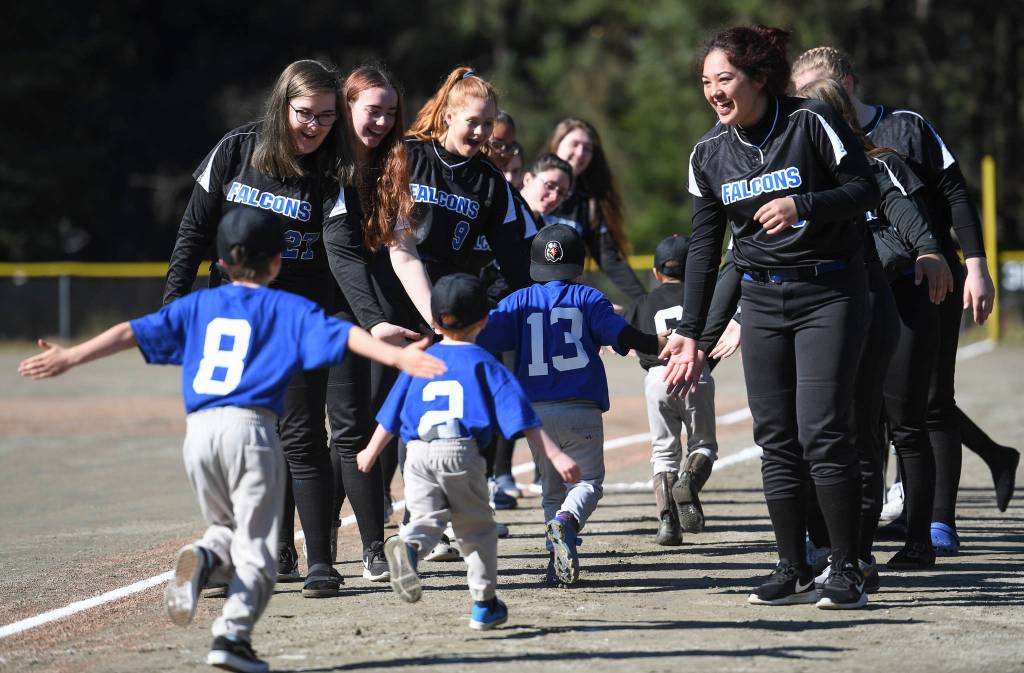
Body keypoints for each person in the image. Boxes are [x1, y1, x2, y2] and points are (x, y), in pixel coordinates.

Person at [19, 209, 446, 673]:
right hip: (251, 432)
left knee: (226, 527)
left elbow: (130, 332)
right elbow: (344, 334)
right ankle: (232, 635)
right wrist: (394, 357)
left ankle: (206, 556)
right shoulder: (286, 306)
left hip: (199, 434)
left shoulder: (198, 306)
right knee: (259, 557)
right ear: (279, 262)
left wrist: (72, 356)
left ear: (220, 264)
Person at [662, 26, 880, 609]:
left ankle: (847, 566)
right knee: (776, 437)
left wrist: (801, 203)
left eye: (724, 78)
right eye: (706, 81)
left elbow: (864, 189)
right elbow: (706, 248)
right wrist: (690, 332)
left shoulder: (810, 122)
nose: (713, 91)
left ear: (759, 77)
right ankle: (793, 564)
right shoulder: (709, 152)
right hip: (761, 299)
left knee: (823, 431)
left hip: (830, 292)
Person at [791, 47, 1015, 553]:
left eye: (813, 90)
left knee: (930, 404)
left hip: (924, 280)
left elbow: (955, 193)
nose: (804, 100)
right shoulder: (812, 146)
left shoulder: (904, 130)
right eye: (798, 93)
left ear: (844, 84)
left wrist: (974, 263)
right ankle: (880, 520)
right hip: (860, 288)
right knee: (871, 410)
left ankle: (936, 523)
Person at [162, 60, 350, 598]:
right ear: (281, 106)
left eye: (327, 117)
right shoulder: (236, 150)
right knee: (238, 435)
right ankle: (243, 556)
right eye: (306, 114)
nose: (315, 127)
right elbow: (193, 232)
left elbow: (341, 252)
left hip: (294, 316)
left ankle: (320, 562)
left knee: (300, 435)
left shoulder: (335, 169)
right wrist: (173, 305)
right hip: (230, 315)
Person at [355, 273, 580, 630]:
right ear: (484, 320)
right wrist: (556, 455)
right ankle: (484, 604)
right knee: (475, 531)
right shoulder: (486, 363)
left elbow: (392, 414)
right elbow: (525, 420)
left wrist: (370, 451)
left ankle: (409, 548)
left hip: (416, 453)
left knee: (426, 518)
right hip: (460, 450)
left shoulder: (418, 359)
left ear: (435, 319)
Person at [476, 224, 666, 585]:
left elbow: (484, 334)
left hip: (537, 414)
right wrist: (656, 343)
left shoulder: (517, 300)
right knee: (588, 483)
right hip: (581, 407)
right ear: (579, 268)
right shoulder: (590, 297)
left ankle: (555, 561)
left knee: (551, 489)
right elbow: (621, 335)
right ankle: (567, 523)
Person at [398, 66, 535, 559]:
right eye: (473, 121)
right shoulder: (410, 155)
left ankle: (447, 520)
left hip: (458, 308)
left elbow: (517, 257)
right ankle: (415, 516)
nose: (481, 133)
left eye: (489, 124)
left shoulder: (489, 181)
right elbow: (394, 243)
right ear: (449, 115)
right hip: (406, 300)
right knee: (413, 411)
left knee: (460, 414)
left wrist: (538, 301)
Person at [322, 63, 429, 581]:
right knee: (299, 432)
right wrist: (372, 323)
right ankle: (292, 546)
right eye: (373, 110)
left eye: (391, 112)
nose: (384, 122)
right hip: (324, 306)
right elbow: (337, 250)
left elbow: (403, 252)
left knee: (353, 426)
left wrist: (438, 321)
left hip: (367, 310)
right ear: (347, 108)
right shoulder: (326, 164)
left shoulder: (392, 165)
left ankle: (365, 547)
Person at [623, 235, 718, 545]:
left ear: (655, 272)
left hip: (658, 378)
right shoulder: (706, 297)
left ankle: (667, 524)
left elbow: (631, 344)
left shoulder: (643, 303)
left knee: (663, 453)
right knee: (703, 445)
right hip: (694, 373)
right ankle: (688, 481)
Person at [546, 118, 646, 301]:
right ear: (556, 144)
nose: (580, 153)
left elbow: (610, 260)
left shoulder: (588, 204)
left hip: (562, 299)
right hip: (522, 295)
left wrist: (646, 302)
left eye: (587, 148)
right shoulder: (528, 187)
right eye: (574, 144)